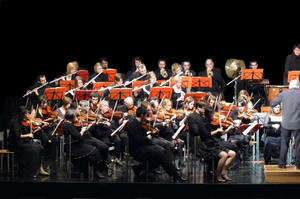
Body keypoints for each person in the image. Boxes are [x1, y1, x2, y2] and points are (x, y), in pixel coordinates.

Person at [127, 106, 187, 182]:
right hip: (137, 149)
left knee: (162, 153)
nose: (146, 117)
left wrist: (152, 133)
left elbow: (146, 134)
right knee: (161, 152)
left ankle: (139, 168)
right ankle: (175, 175)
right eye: (145, 115)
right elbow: (138, 139)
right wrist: (147, 137)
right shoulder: (133, 125)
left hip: (144, 146)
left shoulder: (141, 123)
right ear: (142, 115)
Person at [187, 100, 236, 182]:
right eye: (213, 114)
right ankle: (218, 175)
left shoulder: (206, 120)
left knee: (233, 153)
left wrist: (227, 129)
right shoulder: (200, 120)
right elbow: (205, 134)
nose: (215, 116)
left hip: (213, 142)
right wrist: (216, 131)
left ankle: (224, 172)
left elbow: (219, 134)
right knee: (224, 155)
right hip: (205, 146)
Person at [9, 106, 49, 177]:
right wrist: (28, 135)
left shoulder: (22, 122)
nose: (26, 116)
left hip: (23, 142)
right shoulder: (15, 122)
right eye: (25, 114)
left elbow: (28, 133)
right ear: (20, 114)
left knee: (40, 147)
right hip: (16, 144)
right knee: (34, 149)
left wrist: (35, 130)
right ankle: (31, 171)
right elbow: (18, 136)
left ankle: (40, 169)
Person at [270, 79, 300, 168]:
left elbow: (272, 103)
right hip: (298, 123)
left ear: (289, 86)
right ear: (298, 86)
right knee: (298, 144)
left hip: (286, 123)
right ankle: (298, 164)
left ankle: (282, 164)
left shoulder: (283, 94)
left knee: (284, 143)